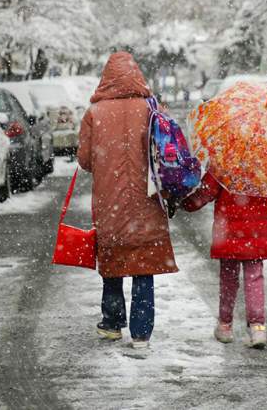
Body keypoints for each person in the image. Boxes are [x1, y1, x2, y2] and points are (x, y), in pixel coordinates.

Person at [77, 51, 178, 349]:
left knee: (113, 258)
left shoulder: (94, 113)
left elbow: (84, 159)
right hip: (148, 199)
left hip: (110, 202)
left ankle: (111, 322)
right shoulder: (151, 108)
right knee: (143, 263)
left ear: (106, 78)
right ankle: (142, 333)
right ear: (137, 75)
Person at [181, 172, 267, 349]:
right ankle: (258, 327)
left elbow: (206, 193)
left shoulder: (224, 161)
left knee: (228, 279)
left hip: (229, 229)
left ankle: (225, 325)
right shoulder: (265, 161)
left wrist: (185, 203)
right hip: (257, 228)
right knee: (254, 278)